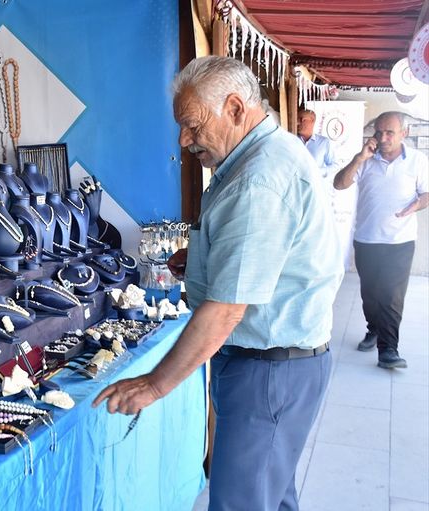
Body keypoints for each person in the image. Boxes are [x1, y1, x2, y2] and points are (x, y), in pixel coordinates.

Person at [93, 56, 342, 511]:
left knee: (243, 503)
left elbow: (226, 309)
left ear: (234, 108)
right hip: (275, 366)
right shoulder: (264, 155)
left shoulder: (257, 180)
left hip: (268, 372)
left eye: (192, 126)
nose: (184, 140)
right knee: (269, 495)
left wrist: (155, 385)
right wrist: (206, 259)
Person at [333, 112, 428, 369]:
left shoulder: (418, 161)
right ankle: (373, 329)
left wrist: (417, 204)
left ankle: (388, 350)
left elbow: (427, 193)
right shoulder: (365, 160)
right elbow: (339, 184)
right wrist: (359, 158)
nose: (383, 138)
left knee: (391, 296)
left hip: (400, 241)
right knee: (371, 293)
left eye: (389, 133)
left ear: (404, 133)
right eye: (379, 132)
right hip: (366, 239)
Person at [297, 108, 339, 178]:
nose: (297, 123)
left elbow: (334, 166)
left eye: (302, 119)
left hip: (315, 183)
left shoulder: (324, 142)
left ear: (312, 120)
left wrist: (318, 172)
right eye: (297, 120)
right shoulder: (291, 140)